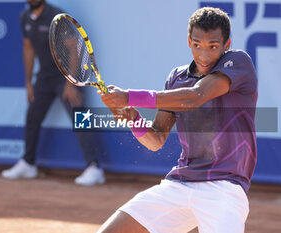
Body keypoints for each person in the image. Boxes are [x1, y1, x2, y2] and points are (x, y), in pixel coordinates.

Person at [98, 7, 257, 233]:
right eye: (197, 45)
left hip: (224, 189)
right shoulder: (177, 78)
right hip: (179, 185)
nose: (204, 55)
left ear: (227, 45)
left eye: (213, 46)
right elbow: (156, 139)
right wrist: (131, 115)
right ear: (188, 41)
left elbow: (194, 97)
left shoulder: (239, 63)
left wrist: (128, 96)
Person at [1, 0, 105, 186]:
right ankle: (28, 163)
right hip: (44, 78)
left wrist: (70, 82)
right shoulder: (24, 17)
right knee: (32, 115)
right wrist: (28, 82)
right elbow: (28, 48)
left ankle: (94, 167)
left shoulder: (56, 16)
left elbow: (74, 48)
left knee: (79, 115)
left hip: (67, 75)